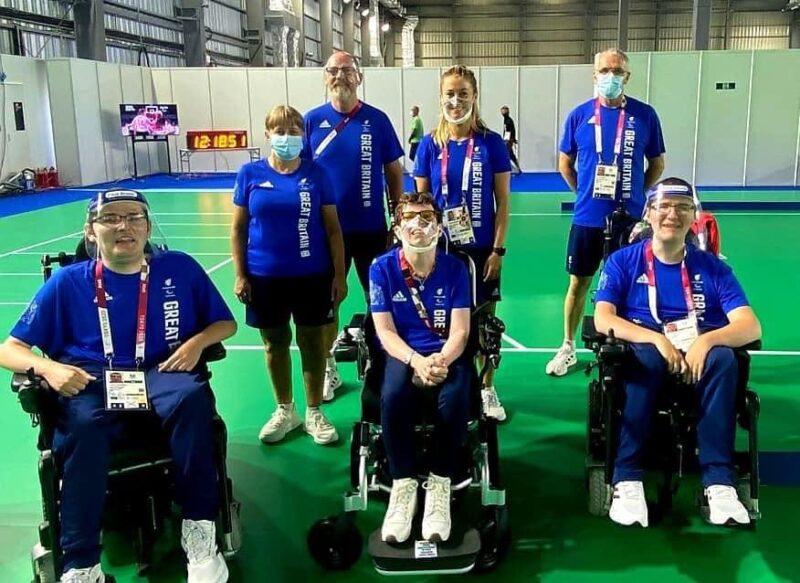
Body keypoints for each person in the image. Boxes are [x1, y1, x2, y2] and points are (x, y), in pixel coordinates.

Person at [0, 189, 237, 583]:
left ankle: (199, 535)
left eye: (133, 217)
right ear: (91, 231)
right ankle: (81, 563)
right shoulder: (67, 283)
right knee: (82, 426)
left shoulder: (179, 268)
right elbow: (9, 349)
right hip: (93, 378)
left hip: (162, 369)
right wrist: (49, 368)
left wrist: (197, 343)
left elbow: (225, 324)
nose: (123, 226)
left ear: (147, 226)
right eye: (110, 218)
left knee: (193, 400)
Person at [594, 177, 761, 528]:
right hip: (647, 351)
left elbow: (750, 326)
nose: (673, 214)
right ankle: (627, 477)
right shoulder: (623, 262)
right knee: (645, 358)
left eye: (683, 208)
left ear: (693, 218)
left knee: (724, 359)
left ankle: (719, 482)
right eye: (664, 207)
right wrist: (656, 340)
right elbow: (603, 316)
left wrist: (706, 341)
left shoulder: (713, 269)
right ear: (650, 214)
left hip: (698, 356)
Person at [547, 48, 666, 377]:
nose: (610, 76)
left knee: (628, 286)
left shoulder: (645, 116)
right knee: (578, 284)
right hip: (587, 218)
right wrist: (583, 192)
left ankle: (627, 347)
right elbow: (564, 164)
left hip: (629, 219)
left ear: (627, 77)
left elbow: (657, 163)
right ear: (594, 74)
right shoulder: (579, 115)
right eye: (605, 70)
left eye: (618, 71)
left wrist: (637, 193)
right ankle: (568, 346)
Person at [232, 105, 346, 446]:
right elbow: (238, 229)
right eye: (280, 130)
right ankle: (285, 410)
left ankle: (314, 411)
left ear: (304, 137)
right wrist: (241, 275)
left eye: (295, 130)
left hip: (312, 275)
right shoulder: (249, 174)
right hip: (264, 277)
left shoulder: (318, 174)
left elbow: (333, 230)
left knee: (312, 342)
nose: (288, 137)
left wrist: (339, 277)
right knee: (275, 343)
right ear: (267, 135)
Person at [302, 50, 405, 402]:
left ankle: (381, 361)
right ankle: (329, 366)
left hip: (372, 229)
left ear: (358, 77)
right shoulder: (311, 122)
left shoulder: (377, 120)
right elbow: (298, 173)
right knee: (330, 300)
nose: (340, 76)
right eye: (333, 70)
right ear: (324, 77)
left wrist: (396, 218)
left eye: (347, 70)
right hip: (324, 233)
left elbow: (394, 172)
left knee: (377, 297)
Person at [369, 192, 471, 544]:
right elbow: (384, 330)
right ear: (397, 228)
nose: (418, 224)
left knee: (456, 397)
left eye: (426, 217)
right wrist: (415, 361)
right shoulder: (381, 269)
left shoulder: (456, 269)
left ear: (439, 227)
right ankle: (403, 485)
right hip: (403, 354)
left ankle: (440, 485)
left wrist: (440, 359)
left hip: (445, 354)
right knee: (394, 394)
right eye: (409, 217)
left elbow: (461, 330)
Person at [413, 64, 510, 422]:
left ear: (474, 97)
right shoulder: (428, 146)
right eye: (450, 94)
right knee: (441, 322)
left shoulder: (491, 144)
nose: (456, 101)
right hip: (440, 253)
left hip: (482, 251)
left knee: (485, 325)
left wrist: (498, 250)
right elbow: (420, 209)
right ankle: (448, 382)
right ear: (441, 99)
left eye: (463, 94)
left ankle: (486, 388)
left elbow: (503, 205)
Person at [500, 106, 520, 173]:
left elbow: (510, 131)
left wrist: (507, 140)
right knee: (511, 154)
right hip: (508, 139)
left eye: (504, 111)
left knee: (506, 154)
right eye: (502, 111)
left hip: (508, 140)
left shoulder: (508, 120)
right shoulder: (506, 120)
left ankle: (511, 169)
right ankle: (517, 168)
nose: (502, 113)